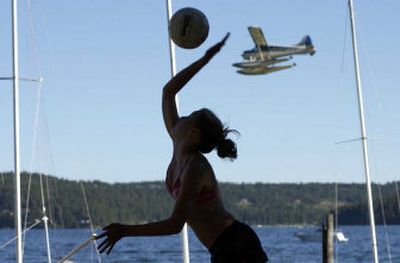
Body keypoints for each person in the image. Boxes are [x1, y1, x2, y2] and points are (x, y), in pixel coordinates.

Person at [96, 34, 268, 263]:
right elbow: (168, 91)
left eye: (189, 116)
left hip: (236, 244)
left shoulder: (195, 168)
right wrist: (204, 60)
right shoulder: (178, 142)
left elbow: (175, 224)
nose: (181, 117)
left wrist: (126, 230)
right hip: (222, 247)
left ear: (194, 133)